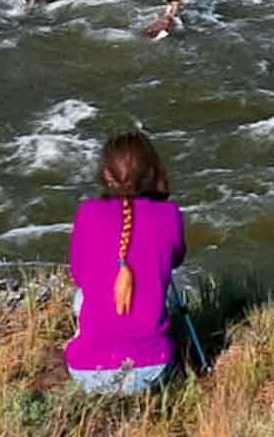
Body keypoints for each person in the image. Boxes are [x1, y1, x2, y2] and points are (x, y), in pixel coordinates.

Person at [65, 131, 187, 394]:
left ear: (107, 175)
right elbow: (176, 260)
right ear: (153, 171)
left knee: (82, 296)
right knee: (154, 289)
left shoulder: (87, 213)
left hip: (89, 373)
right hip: (152, 369)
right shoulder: (169, 214)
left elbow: (79, 275)